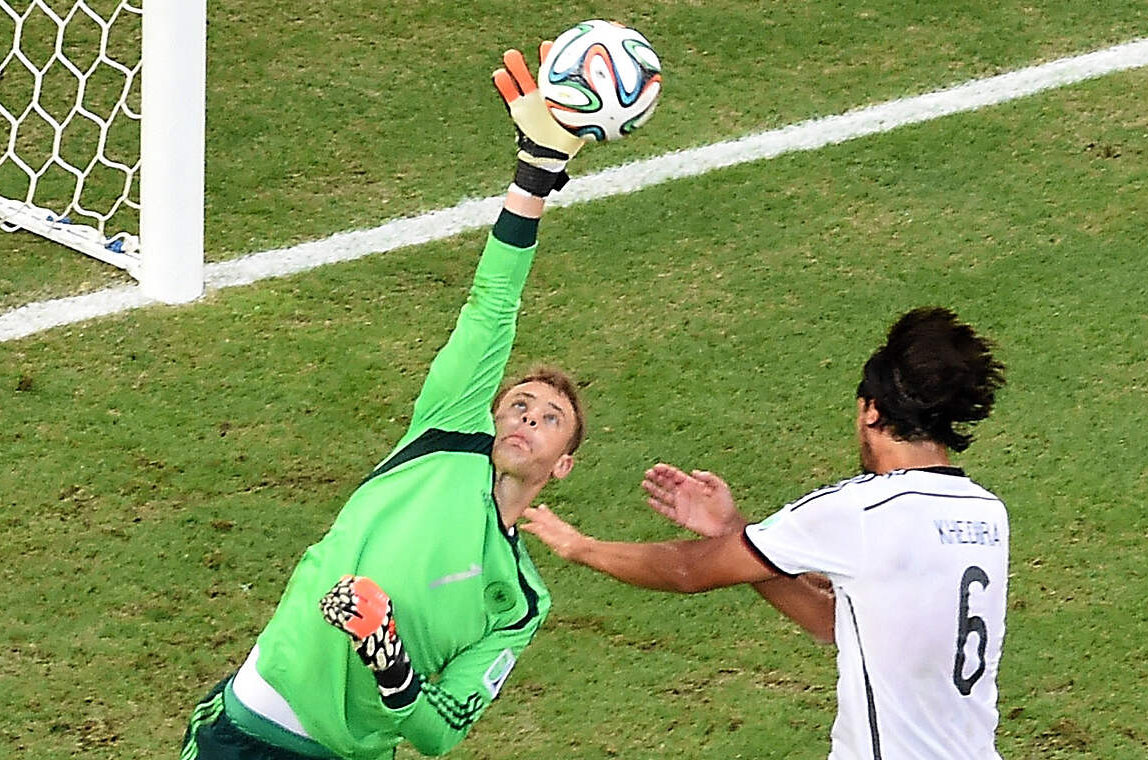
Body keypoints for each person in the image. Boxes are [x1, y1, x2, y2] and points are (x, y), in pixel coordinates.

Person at [181, 43, 593, 760]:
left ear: (561, 468)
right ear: (490, 413)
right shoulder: (444, 435)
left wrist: (390, 659)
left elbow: (438, 733)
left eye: (549, 419)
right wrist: (536, 174)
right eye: (519, 404)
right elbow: (492, 305)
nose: (527, 417)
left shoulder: (519, 600)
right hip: (250, 731)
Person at [521, 306, 1009, 760]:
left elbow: (689, 570)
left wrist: (580, 546)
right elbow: (839, 622)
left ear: (872, 411)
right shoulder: (988, 515)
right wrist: (736, 531)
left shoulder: (862, 509)